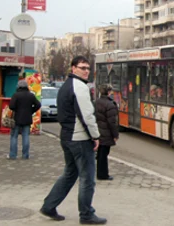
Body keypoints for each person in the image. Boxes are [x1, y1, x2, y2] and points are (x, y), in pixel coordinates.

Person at [40, 56, 106, 225]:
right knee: (87, 178)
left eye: (88, 68)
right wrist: (96, 136)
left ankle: (49, 206)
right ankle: (86, 214)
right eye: (82, 67)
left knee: (70, 174)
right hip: (80, 138)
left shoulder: (65, 86)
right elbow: (87, 115)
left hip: (67, 136)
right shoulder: (80, 87)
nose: (86, 71)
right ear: (73, 68)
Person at [8, 80, 41, 160]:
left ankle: (13, 155)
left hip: (16, 118)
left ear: (18, 86)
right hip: (27, 118)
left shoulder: (16, 95)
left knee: (14, 136)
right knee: (26, 136)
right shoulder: (31, 95)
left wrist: (17, 109)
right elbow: (38, 104)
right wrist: (31, 111)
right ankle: (25, 155)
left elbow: (11, 106)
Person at [95, 84, 119, 181]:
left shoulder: (96, 102)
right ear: (109, 92)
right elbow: (112, 122)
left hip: (98, 131)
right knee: (104, 154)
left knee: (100, 153)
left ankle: (100, 173)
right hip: (106, 133)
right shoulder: (110, 105)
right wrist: (115, 135)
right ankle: (103, 174)